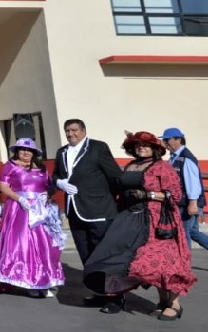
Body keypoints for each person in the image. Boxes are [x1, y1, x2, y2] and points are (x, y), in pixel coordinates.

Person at [83, 131, 197, 321]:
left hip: (158, 220)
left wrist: (148, 195)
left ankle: (174, 304)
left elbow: (175, 195)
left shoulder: (162, 167)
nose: (141, 148)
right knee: (143, 263)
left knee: (166, 262)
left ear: (154, 148)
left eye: (145, 145)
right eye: (137, 145)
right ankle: (162, 301)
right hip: (130, 218)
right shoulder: (131, 165)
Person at [53, 118, 122, 307]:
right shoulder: (61, 152)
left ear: (84, 131)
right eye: (67, 131)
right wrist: (59, 183)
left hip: (99, 210)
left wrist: (116, 202)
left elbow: (114, 175)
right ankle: (99, 292)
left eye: (74, 130)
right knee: (87, 255)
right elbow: (56, 175)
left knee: (105, 256)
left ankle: (115, 296)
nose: (70, 134)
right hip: (75, 211)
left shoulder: (98, 148)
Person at [162, 127, 208, 277]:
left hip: (187, 203)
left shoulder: (186, 158)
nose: (165, 143)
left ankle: (184, 268)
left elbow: (193, 182)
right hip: (185, 202)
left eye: (167, 140)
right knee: (193, 232)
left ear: (178, 140)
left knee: (184, 235)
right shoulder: (175, 157)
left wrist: (193, 202)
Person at [0, 138, 65, 297]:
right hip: (19, 208)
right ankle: (28, 281)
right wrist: (19, 198)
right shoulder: (10, 165)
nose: (26, 152)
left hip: (40, 210)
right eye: (22, 149)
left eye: (29, 150)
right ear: (17, 151)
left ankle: (44, 280)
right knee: (24, 243)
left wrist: (47, 195)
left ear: (34, 153)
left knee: (44, 243)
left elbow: (49, 186)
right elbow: (2, 186)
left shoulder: (42, 168)